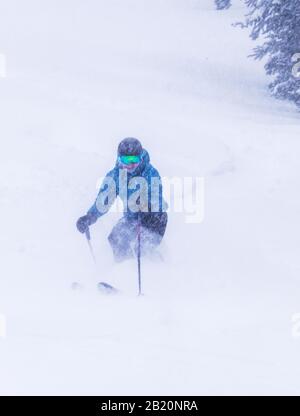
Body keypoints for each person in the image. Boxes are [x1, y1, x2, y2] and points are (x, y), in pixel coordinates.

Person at [76, 137, 168, 262]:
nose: (129, 165)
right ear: (119, 159)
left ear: (140, 158)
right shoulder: (116, 175)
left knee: (139, 247)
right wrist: (90, 216)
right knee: (115, 239)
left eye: (133, 160)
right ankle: (121, 272)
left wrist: (147, 208)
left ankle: (153, 267)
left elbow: (156, 197)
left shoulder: (150, 173)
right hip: (132, 218)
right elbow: (104, 200)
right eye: (125, 160)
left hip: (154, 218)